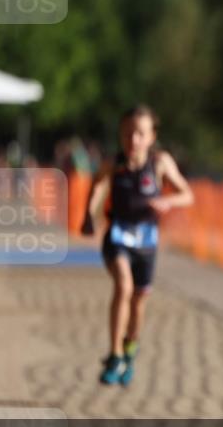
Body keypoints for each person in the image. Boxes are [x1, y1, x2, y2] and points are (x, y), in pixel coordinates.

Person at [82, 105, 194, 386]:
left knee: (138, 303)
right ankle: (115, 353)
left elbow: (187, 194)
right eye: (128, 133)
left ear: (152, 136)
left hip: (146, 243)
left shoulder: (160, 163)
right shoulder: (113, 164)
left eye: (140, 134)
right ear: (120, 135)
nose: (133, 140)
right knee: (124, 285)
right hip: (118, 236)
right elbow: (97, 187)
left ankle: (131, 351)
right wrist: (89, 214)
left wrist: (168, 201)